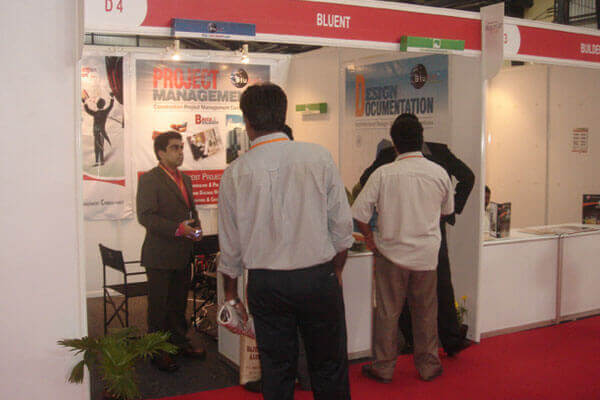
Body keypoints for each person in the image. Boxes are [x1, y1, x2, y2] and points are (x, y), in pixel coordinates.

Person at [217, 83, 354, 400]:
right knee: (329, 365)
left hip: (267, 284)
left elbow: (230, 246)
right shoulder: (318, 157)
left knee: (276, 370)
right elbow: (342, 228)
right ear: (283, 114)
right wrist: (336, 270)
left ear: (247, 121)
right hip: (317, 277)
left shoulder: (235, 173)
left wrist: (231, 295)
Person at [360, 113, 475, 357]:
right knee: (438, 289)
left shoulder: (389, 157)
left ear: (395, 140)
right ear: (421, 135)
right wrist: (448, 212)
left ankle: (411, 342)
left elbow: (364, 181)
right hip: (431, 231)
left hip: (399, 232)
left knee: (396, 295)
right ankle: (447, 341)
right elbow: (468, 177)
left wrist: (385, 211)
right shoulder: (440, 153)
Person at [353, 115, 454, 383]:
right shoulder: (439, 173)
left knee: (387, 313)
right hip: (426, 256)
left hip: (390, 254)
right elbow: (447, 211)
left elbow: (359, 212)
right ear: (421, 140)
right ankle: (428, 366)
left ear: (394, 143)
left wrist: (369, 238)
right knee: (426, 313)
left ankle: (384, 367)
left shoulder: (383, 174)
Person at [136, 130, 206, 372]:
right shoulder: (149, 179)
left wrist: (196, 229)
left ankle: (179, 342)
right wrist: (178, 229)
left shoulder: (185, 179)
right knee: (159, 307)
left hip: (182, 253)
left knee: (178, 304)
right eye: (175, 148)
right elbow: (146, 217)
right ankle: (157, 350)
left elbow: (190, 211)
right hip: (159, 254)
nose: (180, 152)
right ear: (160, 152)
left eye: (181, 147)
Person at [83, 93, 114, 166]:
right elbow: (110, 106)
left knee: (97, 146)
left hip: (96, 132)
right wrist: (112, 98)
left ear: (97, 105)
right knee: (101, 146)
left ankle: (97, 161)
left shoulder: (95, 113)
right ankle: (101, 161)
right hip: (101, 132)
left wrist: (85, 103)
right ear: (103, 105)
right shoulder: (105, 112)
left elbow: (87, 110)